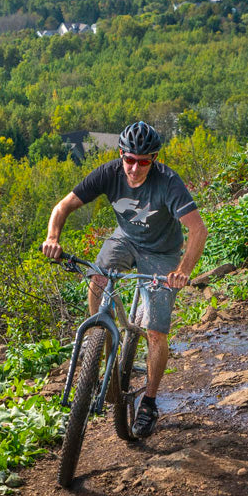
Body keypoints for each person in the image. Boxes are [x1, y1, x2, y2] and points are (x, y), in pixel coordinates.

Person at [40, 121, 207, 439]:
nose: (134, 168)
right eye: (129, 159)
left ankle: (150, 402)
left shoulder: (168, 182)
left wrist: (183, 270)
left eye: (143, 161)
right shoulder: (109, 173)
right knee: (97, 278)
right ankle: (99, 338)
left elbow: (198, 230)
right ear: (121, 155)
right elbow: (62, 207)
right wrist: (53, 237)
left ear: (154, 159)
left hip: (161, 254)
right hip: (125, 239)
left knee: (156, 333)